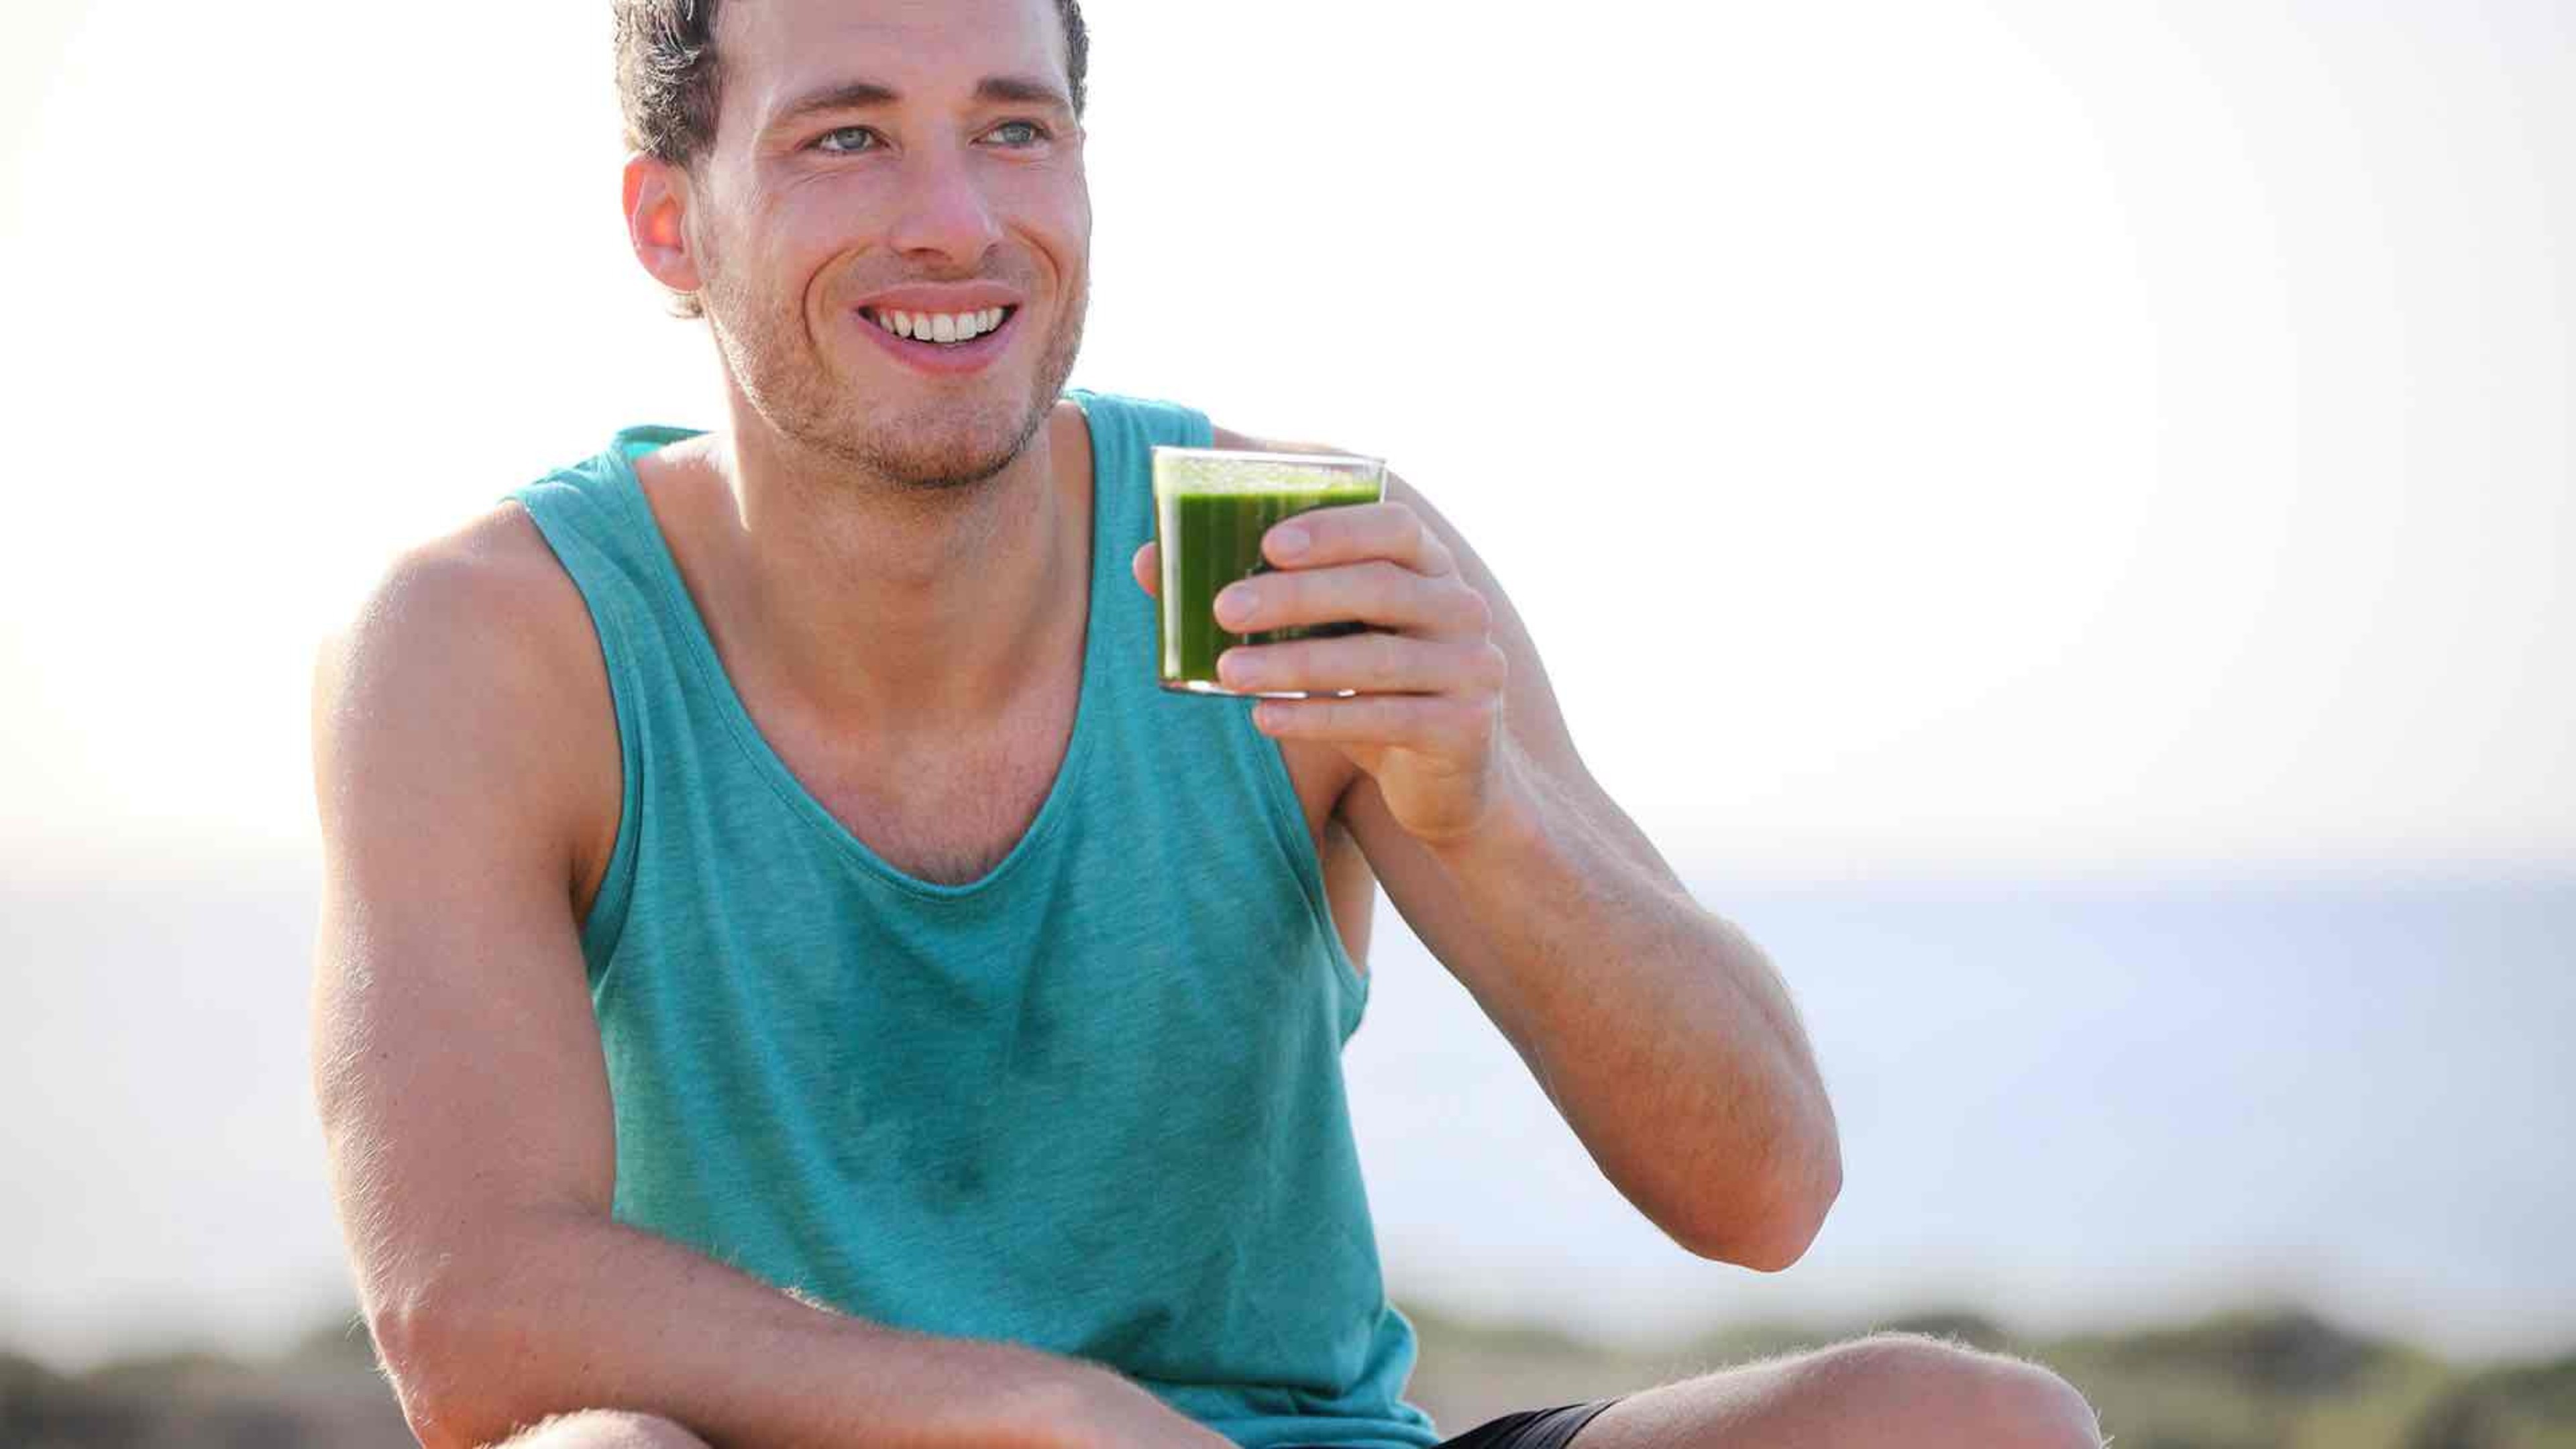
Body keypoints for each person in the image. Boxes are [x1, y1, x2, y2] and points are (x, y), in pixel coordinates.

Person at [307, 1, 2106, 1446]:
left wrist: (1482, 816)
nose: (958, 219)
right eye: (846, 137)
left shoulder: (1289, 555)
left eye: (1016, 128)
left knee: (1977, 1425)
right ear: (669, 223)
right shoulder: (494, 648)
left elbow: (1766, 1192)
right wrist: (1043, 1416)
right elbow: (465, 1314)